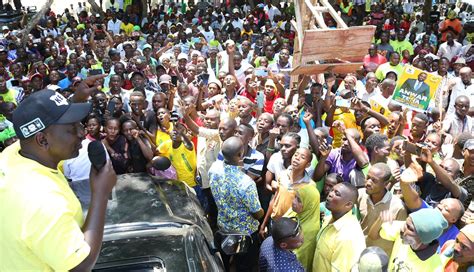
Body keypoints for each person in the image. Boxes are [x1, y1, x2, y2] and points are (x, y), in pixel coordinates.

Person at [0, 86, 116, 270]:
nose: (81, 133)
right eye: (72, 128)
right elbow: (80, 266)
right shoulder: (43, 201)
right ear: (43, 140)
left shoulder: (13, 154)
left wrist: (70, 103)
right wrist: (101, 193)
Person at [209, 136, 263, 271]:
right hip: (244, 234)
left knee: (224, 262)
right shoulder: (245, 182)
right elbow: (257, 214)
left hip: (224, 227)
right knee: (243, 266)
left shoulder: (214, 169)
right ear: (240, 155)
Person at [313, 182, 366, 271]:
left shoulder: (347, 235)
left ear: (348, 205)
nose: (330, 194)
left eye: (337, 194)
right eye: (332, 190)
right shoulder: (329, 218)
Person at [378, 207, 448, 271]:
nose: (402, 229)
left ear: (423, 239)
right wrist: (380, 220)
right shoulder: (403, 230)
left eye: (410, 228)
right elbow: (374, 234)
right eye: (406, 223)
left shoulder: (435, 267)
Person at [289, 183, 320, 271]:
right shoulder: (297, 214)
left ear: (309, 205)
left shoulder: (309, 230)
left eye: (299, 200)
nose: (294, 201)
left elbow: (299, 258)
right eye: (295, 197)